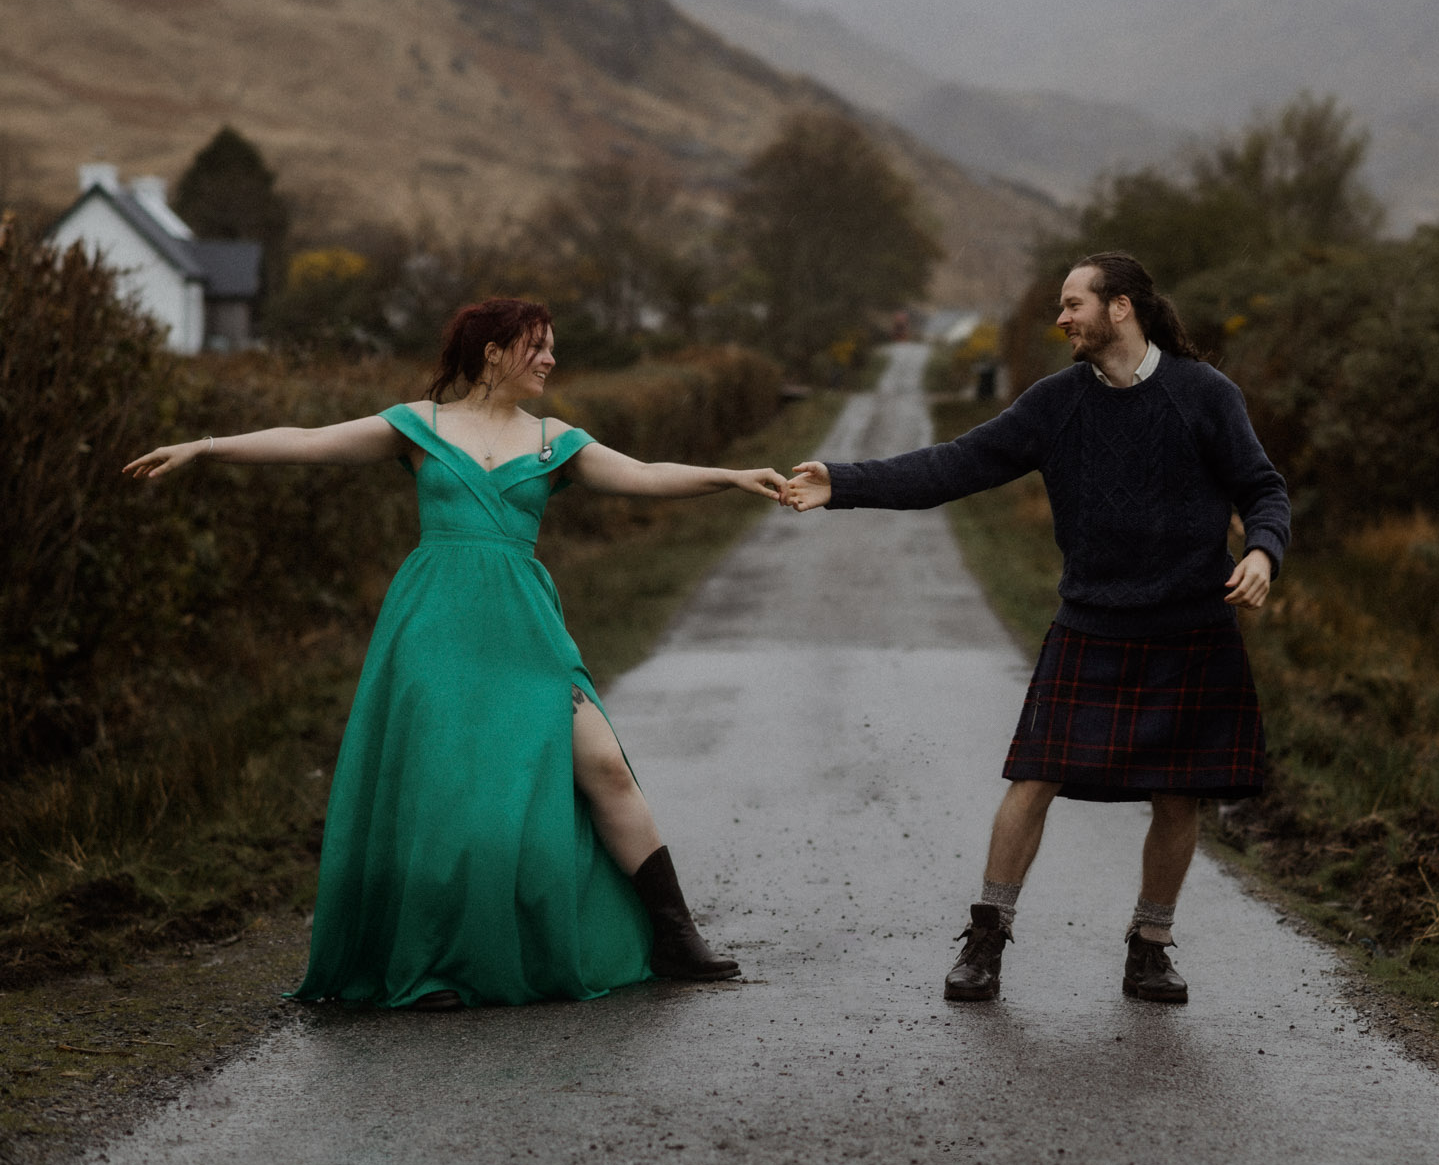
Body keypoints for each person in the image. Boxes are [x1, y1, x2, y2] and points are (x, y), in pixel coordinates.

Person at [125, 299, 788, 1009]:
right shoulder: (419, 425)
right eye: (537, 345)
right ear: (493, 351)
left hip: (525, 631)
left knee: (604, 766)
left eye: (552, 346)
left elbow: (647, 474)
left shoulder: (555, 440)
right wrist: (206, 446)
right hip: (433, 629)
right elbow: (310, 440)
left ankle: (675, 936)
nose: (550, 359)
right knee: (441, 795)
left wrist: (730, 476)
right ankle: (428, 967)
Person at [785, 251, 1290, 1004]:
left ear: (1121, 307)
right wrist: (844, 484)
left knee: (1180, 792)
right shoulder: (1057, 404)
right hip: (1093, 620)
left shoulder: (1205, 394)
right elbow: (954, 465)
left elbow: (1263, 487)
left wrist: (1263, 553)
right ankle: (986, 939)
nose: (1061, 318)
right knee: (1033, 778)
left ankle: (1150, 947)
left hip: (1190, 626)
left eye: (1073, 303)